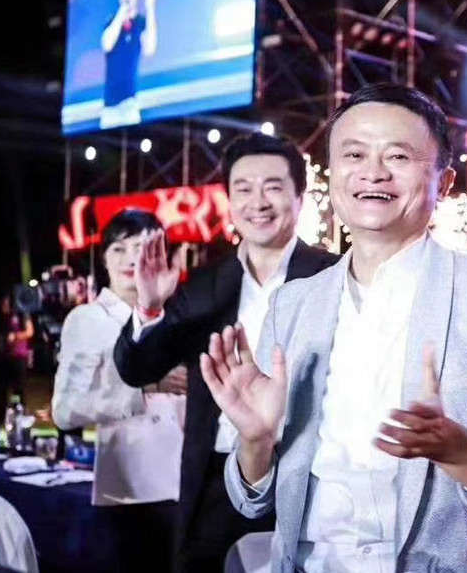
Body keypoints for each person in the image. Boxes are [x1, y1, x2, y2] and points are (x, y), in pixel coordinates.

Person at [200, 84, 467, 572]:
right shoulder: (293, 303)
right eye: (354, 154)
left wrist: (461, 452)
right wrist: (255, 441)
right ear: (332, 175)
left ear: (444, 182)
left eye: (398, 156)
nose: (373, 172)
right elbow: (251, 500)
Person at [114, 133, 340, 572]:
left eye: (273, 187)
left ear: (300, 197)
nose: (258, 202)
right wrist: (150, 307)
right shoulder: (204, 285)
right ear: (230, 201)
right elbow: (136, 369)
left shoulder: (333, 276)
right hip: (216, 478)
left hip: (310, 478)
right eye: (244, 189)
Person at [52, 210, 188, 573]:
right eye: (119, 249)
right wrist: (143, 389)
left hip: (189, 484)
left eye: (142, 248)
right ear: (104, 259)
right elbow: (65, 410)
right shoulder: (88, 319)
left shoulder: (178, 317)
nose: (131, 259)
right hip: (133, 489)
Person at [100, 0, 157, 129]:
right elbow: (107, 44)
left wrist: (150, 7)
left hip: (130, 103)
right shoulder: (112, 21)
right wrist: (122, 12)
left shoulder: (140, 22)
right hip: (109, 107)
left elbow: (150, 48)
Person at [0, 294, 34, 425]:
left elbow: (30, 332)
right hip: (4, 356)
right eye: (2, 303)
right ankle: (1, 416)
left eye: (6, 303)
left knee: (18, 388)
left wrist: (16, 336)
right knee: (1, 388)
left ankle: (20, 415)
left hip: (19, 357)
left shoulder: (22, 314)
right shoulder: (0, 318)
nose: (4, 306)